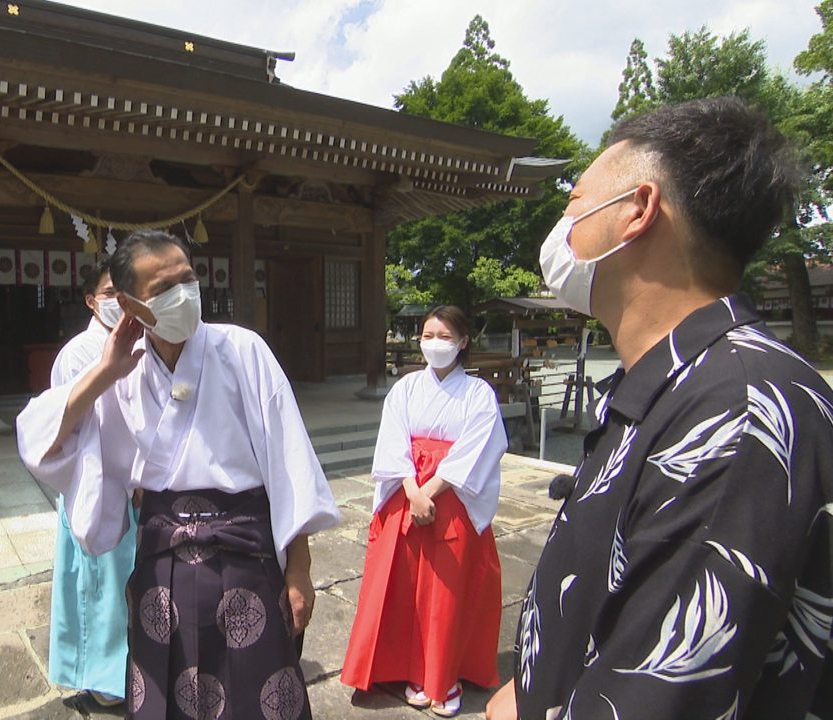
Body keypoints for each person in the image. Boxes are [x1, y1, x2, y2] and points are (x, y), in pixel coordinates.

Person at [486, 97, 832, 720]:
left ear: (637, 211)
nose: (562, 226)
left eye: (573, 203)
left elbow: (664, 690)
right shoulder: (673, 384)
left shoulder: (740, 410)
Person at [16, 229, 340, 719]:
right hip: (160, 572)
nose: (183, 294)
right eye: (163, 289)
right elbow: (41, 441)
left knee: (260, 697)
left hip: (247, 562)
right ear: (129, 305)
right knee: (167, 699)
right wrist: (104, 372)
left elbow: (288, 465)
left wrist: (299, 568)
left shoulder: (243, 349)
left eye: (188, 279)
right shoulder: (123, 374)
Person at [343, 306, 506, 717]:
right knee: (405, 586)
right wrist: (413, 490)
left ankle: (444, 676)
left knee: (447, 591)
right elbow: (393, 438)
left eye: (445, 335)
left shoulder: (479, 393)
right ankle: (413, 670)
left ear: (463, 341)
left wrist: (432, 490)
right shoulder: (406, 388)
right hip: (407, 491)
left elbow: (476, 448)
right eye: (427, 335)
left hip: (452, 497)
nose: (434, 343)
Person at [46, 258, 138, 707]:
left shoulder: (145, 341)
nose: (118, 303)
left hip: (137, 490)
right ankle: (102, 682)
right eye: (109, 294)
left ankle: (130, 671)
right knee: (96, 588)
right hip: (94, 486)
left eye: (127, 294)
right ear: (90, 300)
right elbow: (69, 425)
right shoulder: (79, 354)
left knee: (127, 588)